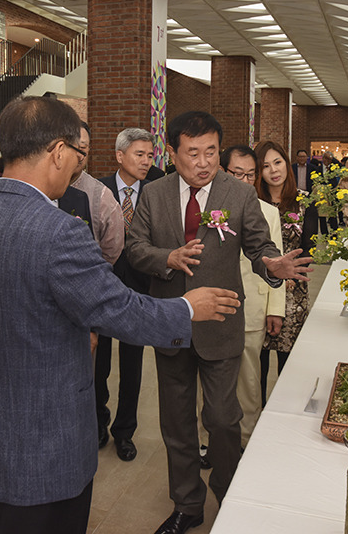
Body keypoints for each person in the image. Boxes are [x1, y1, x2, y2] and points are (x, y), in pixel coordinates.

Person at [0, 96, 240, 534]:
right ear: (59, 152)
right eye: (76, 155)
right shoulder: (58, 229)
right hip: (44, 451)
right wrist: (186, 309)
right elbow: (117, 309)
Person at [125, 111, 310, 534]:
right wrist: (166, 258)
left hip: (222, 321)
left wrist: (271, 264)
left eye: (211, 151)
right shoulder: (152, 195)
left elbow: (259, 244)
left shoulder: (238, 194)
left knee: (224, 420)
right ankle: (187, 505)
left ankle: (230, 496)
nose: (204, 162)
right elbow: (135, 248)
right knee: (176, 423)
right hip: (171, 321)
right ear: (172, 153)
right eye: (193, 153)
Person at [96, 127, 155, 462]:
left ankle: (125, 432)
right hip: (101, 290)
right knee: (98, 365)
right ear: (120, 156)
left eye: (150, 155)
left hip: (139, 291)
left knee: (132, 367)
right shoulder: (94, 190)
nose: (147, 161)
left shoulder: (156, 192)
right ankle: (98, 423)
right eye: (139, 154)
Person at [219, 145, 284, 446]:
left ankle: (247, 440)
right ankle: (208, 439)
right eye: (237, 174)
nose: (245, 180)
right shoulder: (213, 210)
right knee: (210, 381)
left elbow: (277, 263)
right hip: (216, 306)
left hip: (254, 306)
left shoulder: (268, 212)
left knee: (248, 381)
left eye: (250, 175)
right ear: (224, 172)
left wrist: (276, 310)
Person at [255, 141, 311, 399]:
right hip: (261, 287)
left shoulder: (303, 202)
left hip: (294, 289)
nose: (273, 171)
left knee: (289, 360)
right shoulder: (252, 204)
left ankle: (284, 411)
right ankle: (259, 413)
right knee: (259, 359)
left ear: (287, 164)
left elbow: (309, 249)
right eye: (265, 166)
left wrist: (291, 273)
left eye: (278, 162)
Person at [70, 121, 124, 266]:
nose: (78, 154)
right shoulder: (41, 186)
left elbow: (112, 249)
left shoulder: (101, 194)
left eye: (83, 148)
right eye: (72, 147)